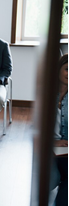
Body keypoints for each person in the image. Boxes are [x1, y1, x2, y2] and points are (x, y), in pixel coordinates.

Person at [51, 54, 68, 206]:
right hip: (49, 150)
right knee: (51, 180)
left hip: (66, 151)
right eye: (67, 69)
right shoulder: (47, 95)